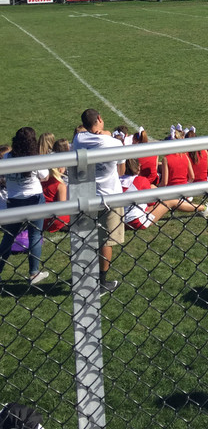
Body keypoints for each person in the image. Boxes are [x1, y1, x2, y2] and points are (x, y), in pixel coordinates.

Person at [71, 109, 127, 294]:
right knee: (106, 241)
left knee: (87, 238)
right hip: (110, 196)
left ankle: (83, 277)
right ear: (100, 119)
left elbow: (85, 137)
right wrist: (108, 135)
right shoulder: (114, 143)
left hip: (87, 195)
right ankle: (102, 282)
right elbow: (121, 170)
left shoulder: (79, 140)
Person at [0, 127, 49, 285]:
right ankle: (34, 273)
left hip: (14, 201)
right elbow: (45, 176)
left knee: (8, 237)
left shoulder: (7, 157)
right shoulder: (35, 158)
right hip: (34, 199)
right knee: (35, 235)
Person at [42, 138, 71, 233]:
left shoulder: (42, 181)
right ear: (59, 168)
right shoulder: (60, 185)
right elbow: (62, 209)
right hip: (54, 220)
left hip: (41, 218)